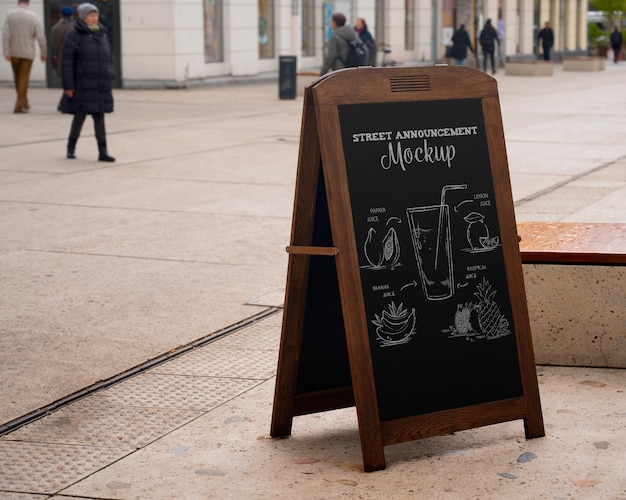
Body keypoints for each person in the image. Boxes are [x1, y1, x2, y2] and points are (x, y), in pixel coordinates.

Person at [60, 3, 115, 162]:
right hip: (82, 84)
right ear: (83, 18)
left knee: (100, 118)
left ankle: (103, 151)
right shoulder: (74, 34)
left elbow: (109, 57)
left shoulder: (103, 33)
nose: (95, 18)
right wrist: (68, 85)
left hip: (100, 84)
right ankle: (71, 147)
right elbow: (67, 62)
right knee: (79, 117)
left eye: (96, 15)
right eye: (91, 15)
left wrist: (111, 73)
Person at [2, 0, 47, 114]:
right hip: (28, 52)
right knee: (24, 78)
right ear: (28, 3)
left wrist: (6, 51)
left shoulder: (10, 15)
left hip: (14, 51)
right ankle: (19, 104)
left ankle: (24, 101)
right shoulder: (33, 17)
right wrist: (43, 53)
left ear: (18, 2)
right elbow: (40, 37)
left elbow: (5, 34)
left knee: (17, 78)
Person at [50, 6, 75, 76]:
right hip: (72, 60)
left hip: (59, 59)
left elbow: (52, 43)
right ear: (72, 16)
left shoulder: (55, 27)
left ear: (61, 15)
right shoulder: (74, 27)